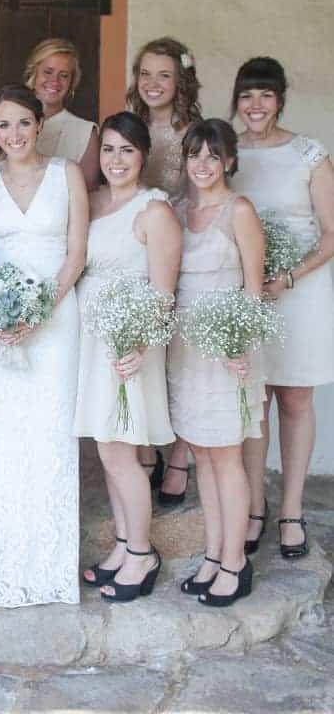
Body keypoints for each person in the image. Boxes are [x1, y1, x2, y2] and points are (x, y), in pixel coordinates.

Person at [0, 85, 88, 607]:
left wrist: (40, 310)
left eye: (22, 123)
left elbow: (78, 253)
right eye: (3, 125)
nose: (13, 134)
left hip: (56, 319)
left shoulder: (68, 174)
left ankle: (51, 565)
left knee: (49, 430)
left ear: (40, 125)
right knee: (2, 432)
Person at [75, 112, 181, 602]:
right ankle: (122, 545)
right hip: (95, 344)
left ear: (144, 156)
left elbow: (163, 295)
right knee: (108, 451)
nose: (116, 160)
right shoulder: (94, 202)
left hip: (128, 347)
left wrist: (138, 346)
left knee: (122, 456)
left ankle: (142, 552)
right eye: (110, 149)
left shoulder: (154, 212)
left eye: (127, 151)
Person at [231, 57, 334, 560]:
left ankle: (291, 510)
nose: (256, 105)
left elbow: (333, 232)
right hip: (250, 295)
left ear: (280, 99)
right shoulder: (229, 154)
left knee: (294, 399)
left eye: (265, 95)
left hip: (302, 292)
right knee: (255, 401)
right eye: (247, 95)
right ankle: (253, 506)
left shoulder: (308, 154)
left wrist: (289, 276)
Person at [168, 120, 265, 606]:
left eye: (212, 155)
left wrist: (241, 346)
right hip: (185, 350)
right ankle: (212, 553)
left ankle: (235, 561)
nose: (202, 165)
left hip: (227, 351)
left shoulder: (239, 211)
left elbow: (253, 289)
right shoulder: (178, 212)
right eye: (194, 155)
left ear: (228, 160)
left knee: (226, 456)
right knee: (201, 454)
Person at [126, 37, 202, 503]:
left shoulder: (193, 129)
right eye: (146, 74)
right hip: (139, 248)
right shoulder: (130, 125)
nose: (153, 84)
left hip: (186, 246)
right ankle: (147, 448)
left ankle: (179, 457)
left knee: (183, 355)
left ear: (181, 81)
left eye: (164, 75)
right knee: (144, 350)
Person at [24, 37, 100, 189]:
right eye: (48, 72)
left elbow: (88, 192)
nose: (55, 81)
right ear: (34, 74)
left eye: (64, 75)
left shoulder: (85, 132)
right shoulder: (9, 123)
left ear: (72, 82)